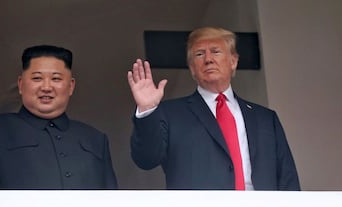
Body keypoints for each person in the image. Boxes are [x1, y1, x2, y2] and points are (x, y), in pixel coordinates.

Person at [127, 27, 300, 191]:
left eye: (216, 51)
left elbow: (287, 178)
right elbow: (146, 160)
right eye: (200, 54)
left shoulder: (265, 118)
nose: (208, 59)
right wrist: (148, 110)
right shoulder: (171, 114)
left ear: (233, 61)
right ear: (192, 68)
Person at [0, 45, 117, 189]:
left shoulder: (95, 139)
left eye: (56, 79)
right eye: (37, 78)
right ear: (21, 85)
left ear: (70, 86)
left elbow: (112, 202)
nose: (46, 87)